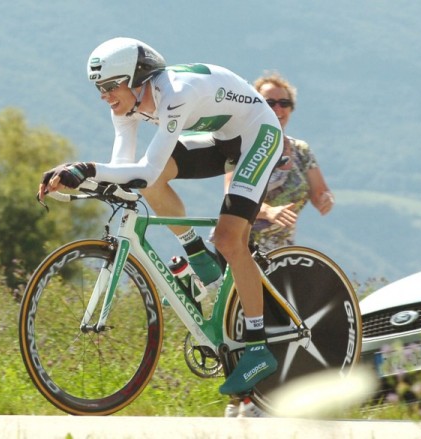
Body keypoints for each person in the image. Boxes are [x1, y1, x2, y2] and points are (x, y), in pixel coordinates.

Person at [39, 37, 283, 397]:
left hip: (259, 134)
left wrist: (86, 168)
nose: (105, 96)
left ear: (137, 78)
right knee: (149, 183)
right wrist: (77, 177)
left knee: (229, 239)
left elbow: (146, 169)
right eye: (99, 88)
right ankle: (197, 254)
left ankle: (258, 348)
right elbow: (124, 169)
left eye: (110, 85)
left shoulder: (175, 94)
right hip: (221, 138)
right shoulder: (124, 106)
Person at [224, 72, 334, 253]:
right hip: (241, 246)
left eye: (284, 103)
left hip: (282, 251)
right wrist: (268, 211)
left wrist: (325, 199)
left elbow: (320, 192)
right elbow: (233, 198)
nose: (278, 108)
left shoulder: (301, 151)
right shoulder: (243, 146)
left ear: (291, 108)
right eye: (269, 103)